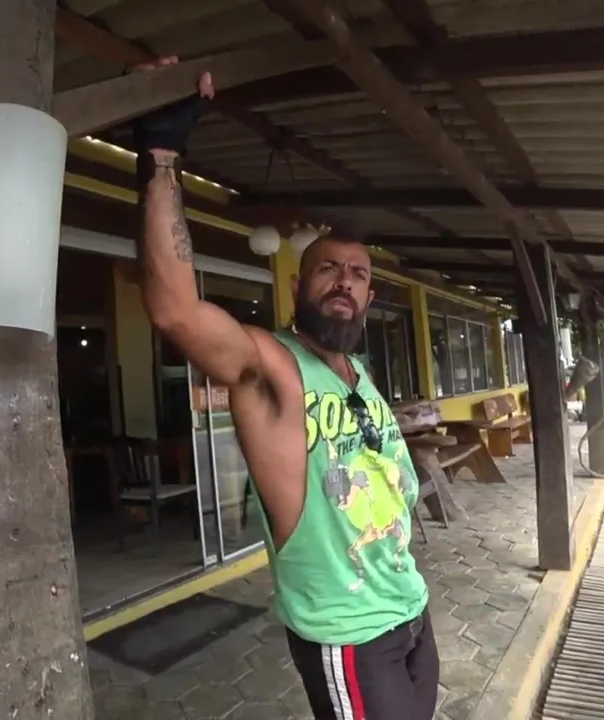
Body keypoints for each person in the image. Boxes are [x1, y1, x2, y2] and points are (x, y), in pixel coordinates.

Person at [129, 59, 438, 720]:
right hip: (350, 634)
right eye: (328, 269)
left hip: (411, 609)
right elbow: (175, 311)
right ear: (298, 285)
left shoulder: (359, 374)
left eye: (358, 274)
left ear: (370, 298)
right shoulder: (272, 367)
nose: (344, 280)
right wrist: (161, 157)